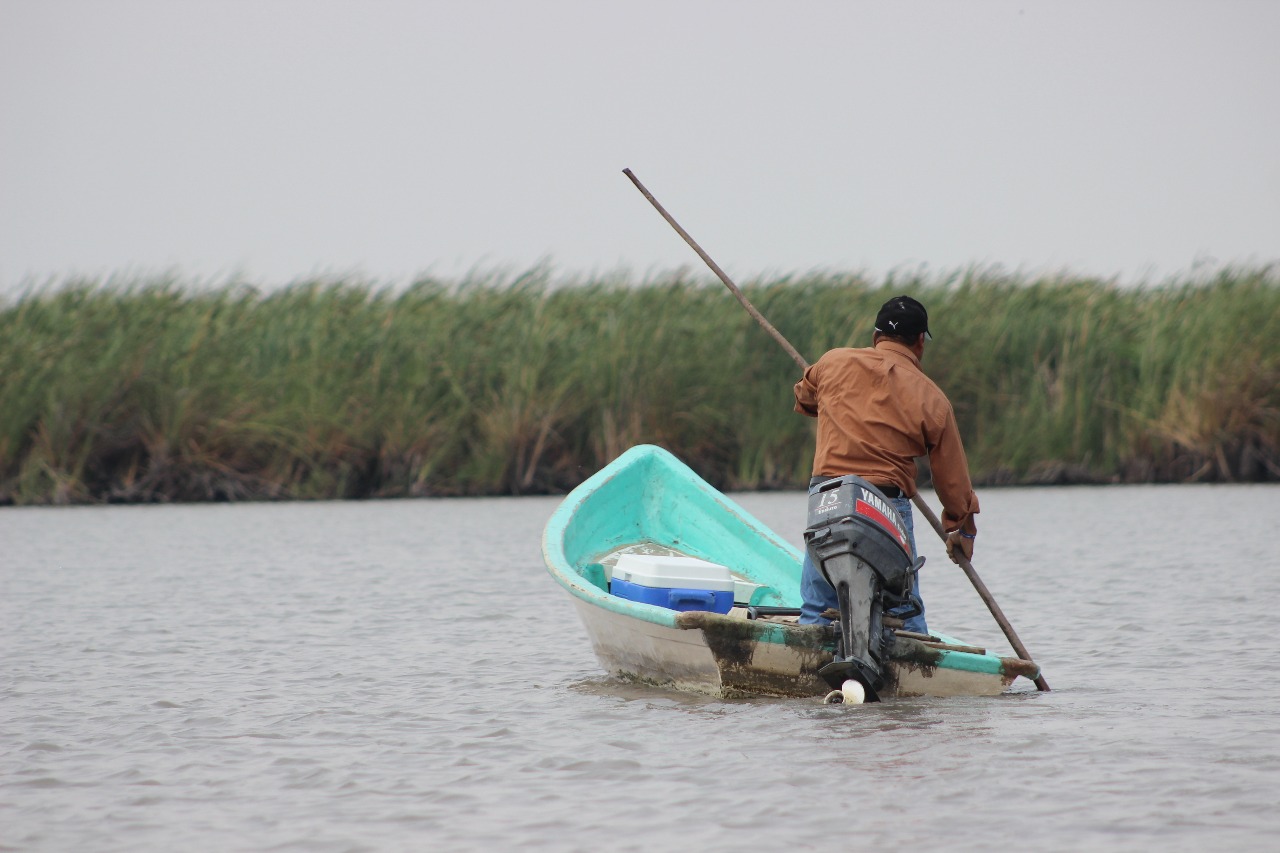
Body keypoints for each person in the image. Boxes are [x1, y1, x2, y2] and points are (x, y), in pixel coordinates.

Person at [792, 295, 979, 635]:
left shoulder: (832, 362)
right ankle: (916, 665)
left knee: (818, 607)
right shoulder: (932, 398)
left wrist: (826, 390)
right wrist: (962, 530)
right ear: (920, 342)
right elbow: (953, 483)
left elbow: (804, 398)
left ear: (876, 336)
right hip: (886, 503)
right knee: (905, 613)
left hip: (829, 499)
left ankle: (810, 648)